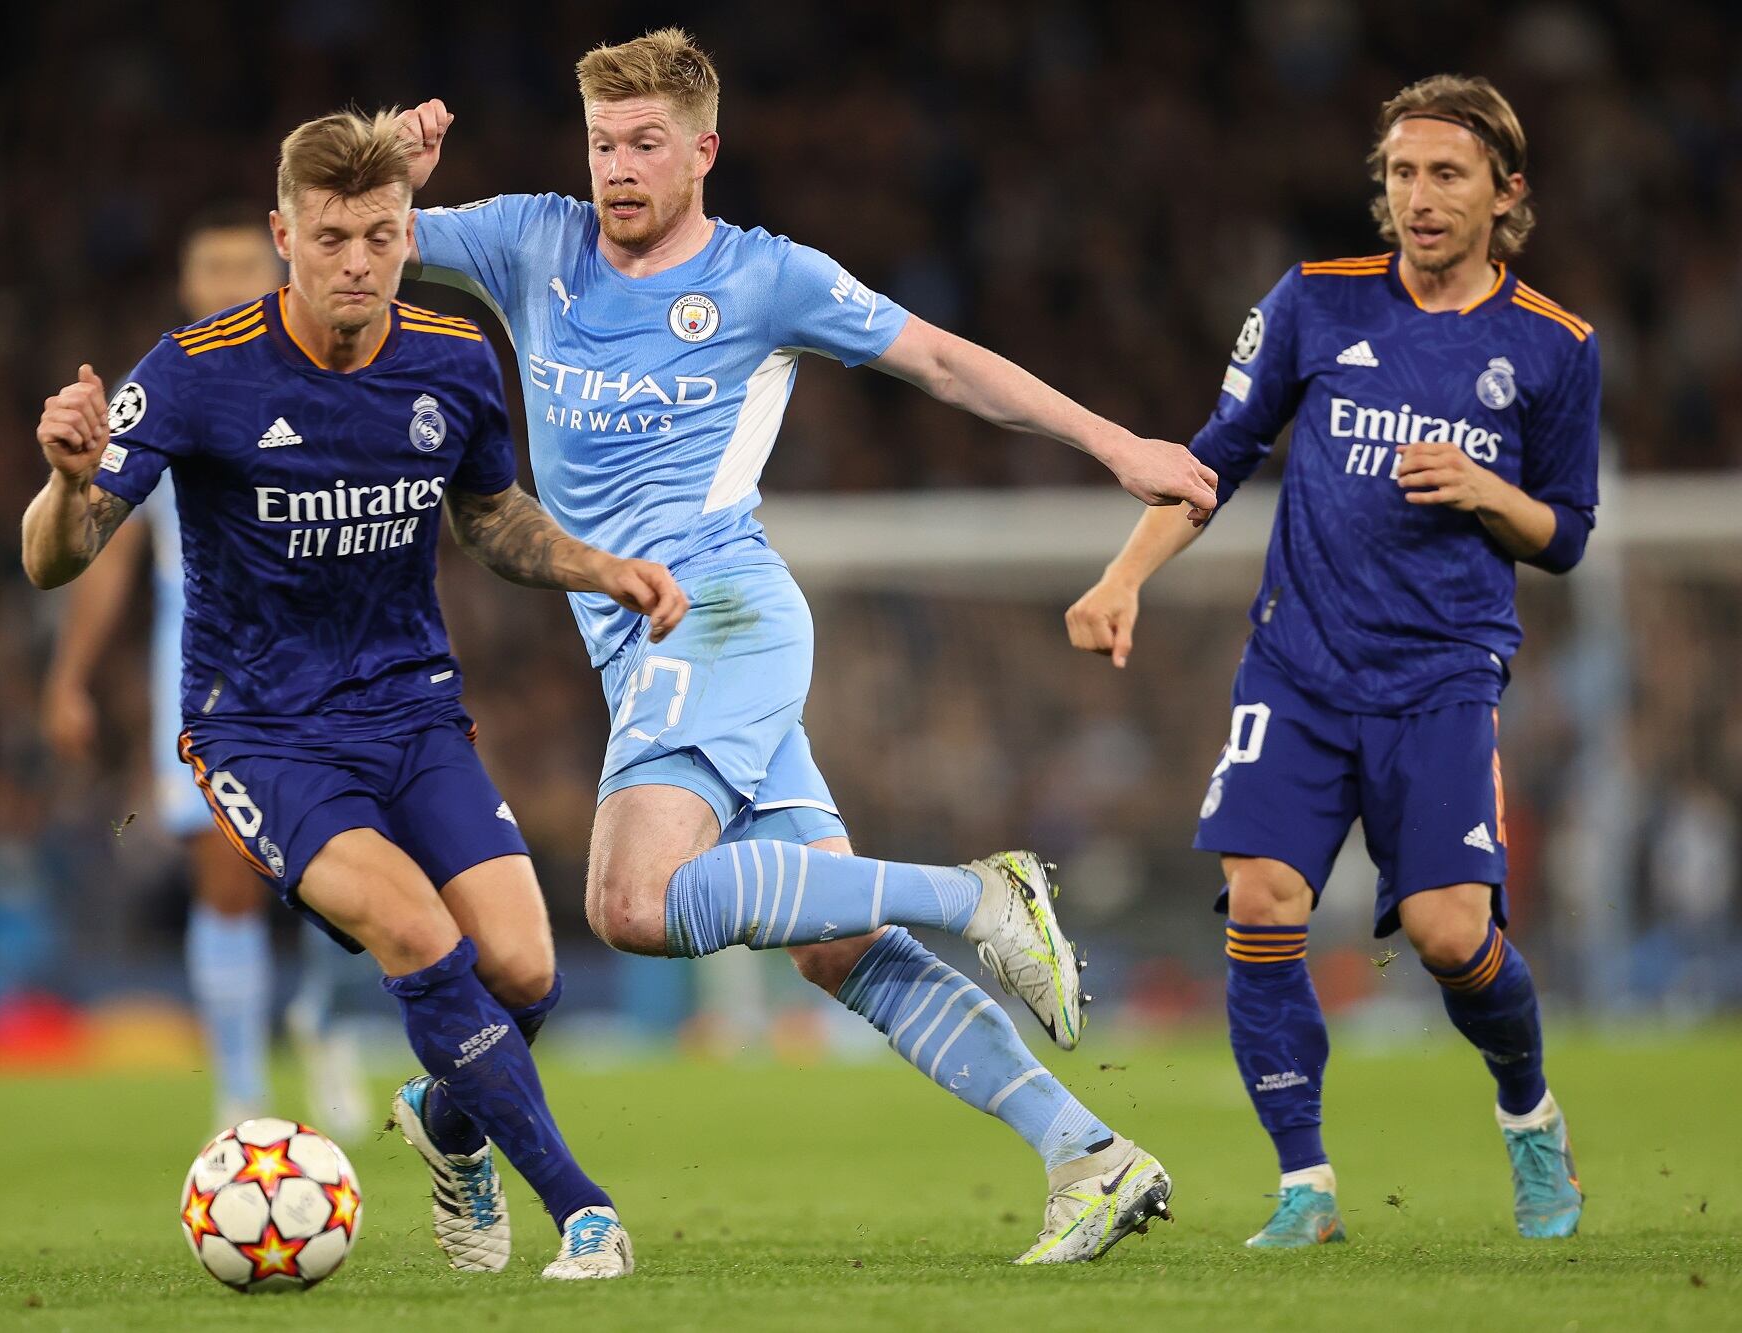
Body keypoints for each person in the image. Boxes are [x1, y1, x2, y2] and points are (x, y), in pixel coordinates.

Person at [394, 28, 1220, 1265]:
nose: (618, 169)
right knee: (834, 946)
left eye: (646, 145)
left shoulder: (765, 277)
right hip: (638, 649)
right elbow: (341, 240)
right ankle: (1086, 1154)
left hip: (720, 613)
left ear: (703, 151)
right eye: (602, 143)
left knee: (628, 899)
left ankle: (977, 895)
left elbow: (941, 360)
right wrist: (388, 169)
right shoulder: (529, 241)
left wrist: (1116, 449)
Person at [20, 108, 687, 1280]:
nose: (357, 264)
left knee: (526, 971)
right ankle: (581, 1211)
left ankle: (443, 1118)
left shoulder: (452, 357)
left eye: (380, 236)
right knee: (421, 938)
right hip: (261, 729)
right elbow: (56, 554)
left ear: (402, 233)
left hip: (411, 711)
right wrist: (67, 482)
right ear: (285, 234)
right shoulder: (195, 370)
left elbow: (488, 513)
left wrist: (592, 563)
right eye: (330, 237)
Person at [1066, 75, 1595, 1247]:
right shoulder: (1312, 302)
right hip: (1296, 672)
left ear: (1505, 194)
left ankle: (1526, 1110)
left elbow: (1566, 533)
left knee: (1455, 935)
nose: (1416, 196)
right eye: (1399, 173)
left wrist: (1486, 491)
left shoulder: (1552, 349)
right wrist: (1121, 576)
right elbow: (1214, 457)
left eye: (1445, 174)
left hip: (1442, 679)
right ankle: (1303, 1185)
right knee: (1259, 903)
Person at [40, 205, 374, 1138]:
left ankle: (326, 1016)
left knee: (358, 881)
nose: (228, 280)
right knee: (224, 879)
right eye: (210, 266)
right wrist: (69, 677)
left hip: (333, 661)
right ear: (189, 289)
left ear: (273, 272)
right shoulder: (168, 389)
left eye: (242, 264)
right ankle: (241, 1097)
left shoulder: (324, 377)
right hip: (206, 665)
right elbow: (105, 548)